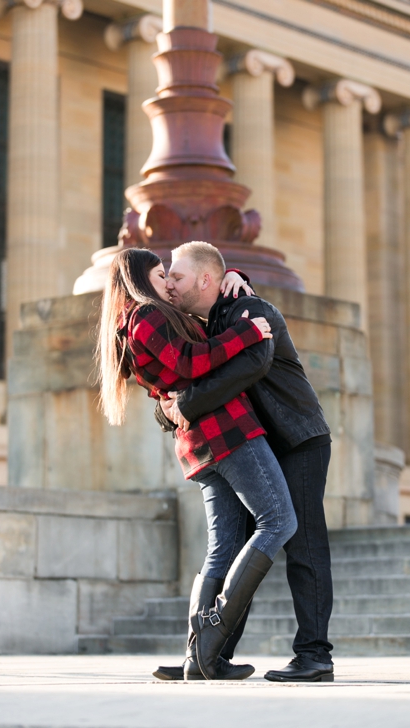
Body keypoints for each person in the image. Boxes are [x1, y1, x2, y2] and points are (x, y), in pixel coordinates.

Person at [96, 247, 298, 681]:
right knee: (279, 521)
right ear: (138, 280)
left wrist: (235, 275)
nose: (168, 282)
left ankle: (197, 658)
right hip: (226, 432)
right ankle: (213, 632)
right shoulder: (145, 318)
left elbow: (192, 354)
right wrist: (247, 333)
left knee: (223, 547)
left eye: (171, 275)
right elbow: (192, 362)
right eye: (159, 275)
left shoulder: (146, 319)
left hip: (203, 443)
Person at [155, 241, 335, 683]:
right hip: (254, 444)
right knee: (231, 547)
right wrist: (168, 407)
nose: (170, 283)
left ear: (204, 281)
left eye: (176, 276)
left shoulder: (253, 313)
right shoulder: (204, 321)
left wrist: (186, 405)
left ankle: (315, 656)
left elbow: (244, 370)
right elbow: (177, 377)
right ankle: (208, 655)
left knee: (303, 545)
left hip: (298, 439)